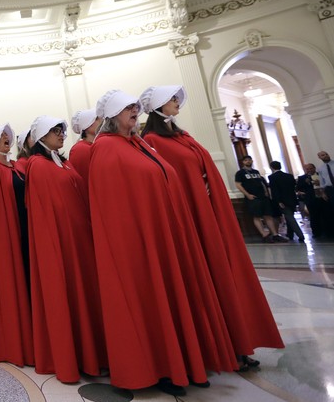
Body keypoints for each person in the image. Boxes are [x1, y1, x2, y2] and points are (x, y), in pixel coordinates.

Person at [89, 90, 237, 396]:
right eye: (127, 107)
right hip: (138, 245)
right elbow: (112, 206)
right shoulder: (105, 148)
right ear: (113, 114)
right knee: (152, 300)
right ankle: (163, 367)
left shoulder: (137, 142)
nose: (134, 111)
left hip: (165, 235)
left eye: (135, 107)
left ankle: (186, 361)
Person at [139, 85, 285, 373]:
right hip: (190, 220)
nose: (176, 102)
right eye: (171, 100)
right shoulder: (153, 141)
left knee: (226, 276)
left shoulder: (180, 135)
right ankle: (222, 348)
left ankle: (238, 343)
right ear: (158, 106)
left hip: (207, 214)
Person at [25, 116, 106, 381]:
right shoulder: (38, 165)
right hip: (63, 243)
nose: (61, 135)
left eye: (61, 130)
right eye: (54, 131)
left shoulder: (62, 161)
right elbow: (44, 211)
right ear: (40, 137)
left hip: (80, 240)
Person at [0, 124, 33, 367]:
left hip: (23, 228)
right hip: (8, 233)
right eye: (0, 137)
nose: (5, 140)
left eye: (7, 137)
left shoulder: (13, 165)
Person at [235, 155, 288, 243]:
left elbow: (261, 182)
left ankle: (275, 234)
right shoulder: (240, 173)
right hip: (253, 197)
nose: (248, 162)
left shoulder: (256, 172)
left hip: (263, 197)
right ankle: (264, 234)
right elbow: (238, 184)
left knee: (268, 215)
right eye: (246, 160)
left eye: (249, 160)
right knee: (257, 216)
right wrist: (248, 195)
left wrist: (266, 192)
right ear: (243, 162)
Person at [268, 161, 306, 242]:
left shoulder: (272, 177)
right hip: (292, 199)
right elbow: (293, 187)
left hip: (282, 201)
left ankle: (300, 235)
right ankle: (290, 234)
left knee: (290, 218)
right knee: (290, 216)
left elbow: (275, 190)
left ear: (271, 167)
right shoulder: (289, 176)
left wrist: (278, 201)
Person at [68, 109, 100, 182]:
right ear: (87, 125)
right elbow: (85, 180)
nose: (101, 121)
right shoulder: (80, 149)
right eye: (96, 119)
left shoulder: (97, 145)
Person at [297, 163, 327, 237]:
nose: (309, 170)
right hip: (311, 199)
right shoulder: (302, 178)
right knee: (314, 216)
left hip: (323, 197)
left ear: (314, 168)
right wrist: (306, 183)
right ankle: (316, 232)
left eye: (311, 168)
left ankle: (327, 231)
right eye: (307, 169)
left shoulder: (321, 175)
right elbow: (299, 188)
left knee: (325, 215)